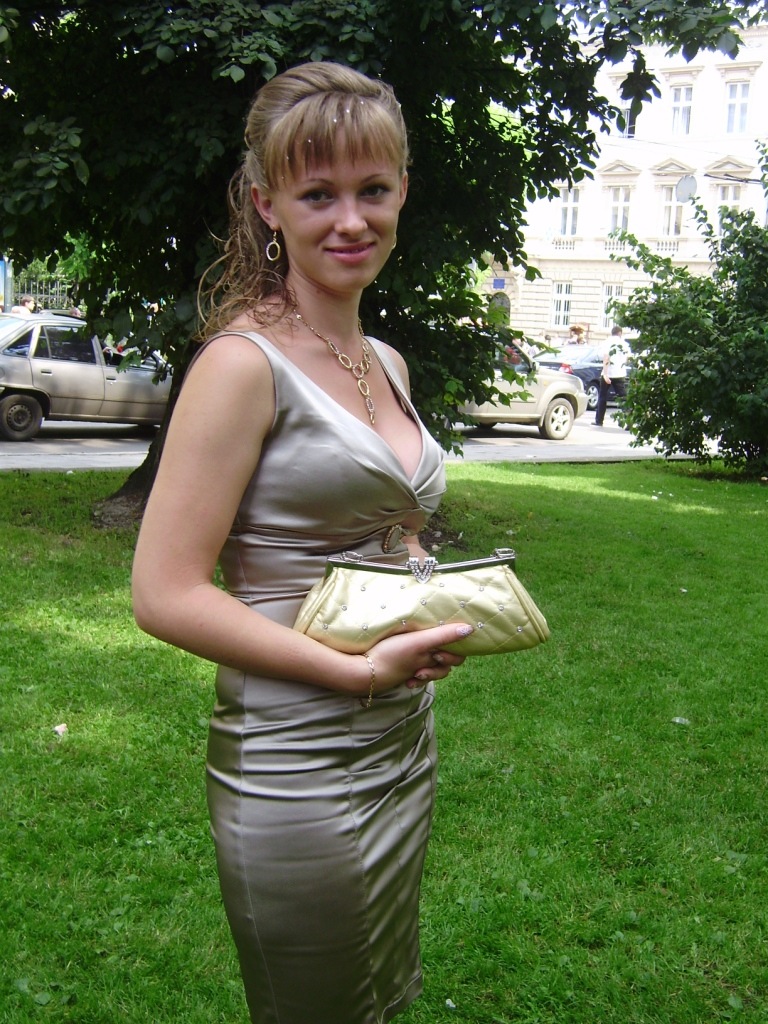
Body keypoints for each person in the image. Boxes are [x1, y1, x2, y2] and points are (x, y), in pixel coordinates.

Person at [132, 62, 476, 1024]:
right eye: (318, 194)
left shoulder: (386, 360)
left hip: (401, 738)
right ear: (267, 205)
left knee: (379, 997)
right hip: (297, 764)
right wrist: (358, 673)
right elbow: (164, 593)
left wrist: (432, 589)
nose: (351, 220)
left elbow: (397, 532)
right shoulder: (241, 365)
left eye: (374, 189)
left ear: (403, 191)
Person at [594, 324, 629, 426]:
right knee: (623, 398)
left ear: (612, 333)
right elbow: (627, 359)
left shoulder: (607, 342)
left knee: (602, 397)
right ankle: (629, 421)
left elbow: (606, 358)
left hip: (608, 373)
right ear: (620, 333)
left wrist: (605, 374)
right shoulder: (624, 344)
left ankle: (599, 420)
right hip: (620, 373)